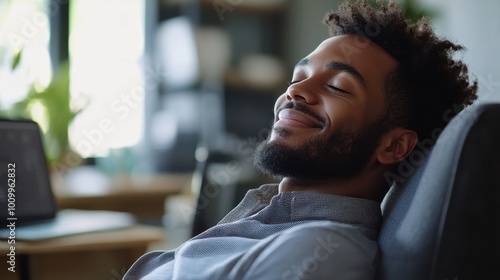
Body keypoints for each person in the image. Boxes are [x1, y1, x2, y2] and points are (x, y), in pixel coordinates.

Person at [124, 0, 478, 279]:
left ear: (393, 146)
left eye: (337, 87)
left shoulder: (318, 254)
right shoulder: (271, 221)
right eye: (299, 75)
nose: (295, 91)